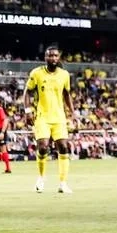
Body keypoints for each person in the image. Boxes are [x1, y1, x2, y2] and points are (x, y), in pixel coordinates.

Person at [26, 45, 72, 194]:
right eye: (50, 56)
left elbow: (67, 94)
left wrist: (73, 112)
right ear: (45, 57)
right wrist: (27, 111)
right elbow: (27, 92)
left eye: (55, 56)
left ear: (58, 58)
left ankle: (63, 183)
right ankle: (41, 178)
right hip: (42, 117)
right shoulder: (37, 73)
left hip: (59, 117)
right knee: (43, 147)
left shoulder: (64, 74)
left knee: (64, 148)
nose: (53, 58)